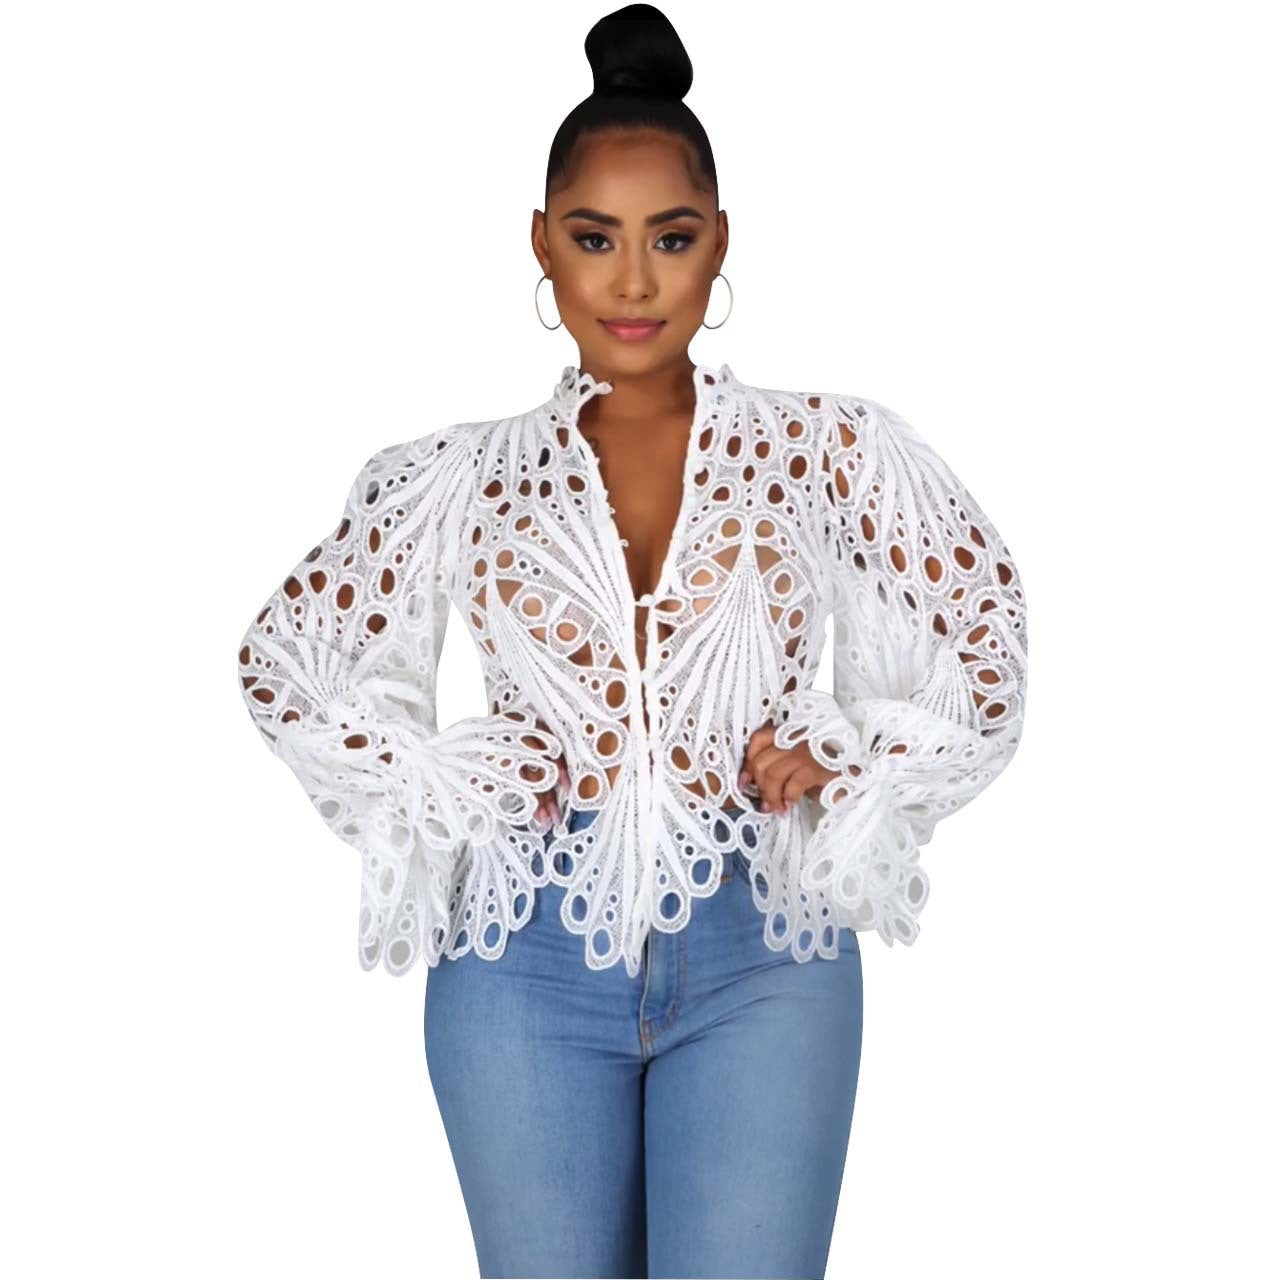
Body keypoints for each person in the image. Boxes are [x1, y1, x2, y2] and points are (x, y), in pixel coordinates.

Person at [234, 5, 1029, 1277]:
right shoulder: (455, 476)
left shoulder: (826, 449)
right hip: (520, 962)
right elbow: (289, 661)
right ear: (541, 244)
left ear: (720, 242)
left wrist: (852, 747)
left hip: (766, 949)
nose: (633, 281)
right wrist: (446, 770)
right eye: (593, 237)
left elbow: (977, 635)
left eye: (670, 236)